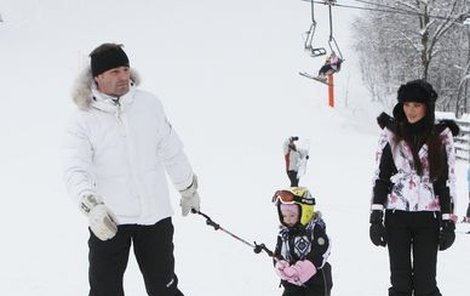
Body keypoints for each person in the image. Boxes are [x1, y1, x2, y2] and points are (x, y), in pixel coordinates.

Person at [63, 43, 200, 296]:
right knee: (105, 291)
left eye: (125, 69)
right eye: (114, 71)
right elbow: (75, 170)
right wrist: (92, 206)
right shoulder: (82, 119)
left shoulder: (148, 105)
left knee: (165, 288)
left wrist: (187, 188)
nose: (123, 76)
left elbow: (171, 149)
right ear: (98, 77)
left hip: (155, 216)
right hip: (109, 220)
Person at [369, 79, 459, 296]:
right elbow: (380, 177)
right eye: (407, 104)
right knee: (400, 284)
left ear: (427, 107)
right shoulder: (392, 133)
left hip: (428, 217)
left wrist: (449, 221)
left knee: (425, 285)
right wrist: (375, 217)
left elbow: (446, 181)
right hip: (396, 215)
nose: (411, 110)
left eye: (417, 105)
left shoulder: (440, 136)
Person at [272, 187, 333, 296]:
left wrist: (301, 269)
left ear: (305, 212)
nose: (288, 219)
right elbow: (278, 253)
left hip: (316, 283)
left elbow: (320, 251)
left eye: (292, 215)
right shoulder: (284, 234)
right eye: (284, 216)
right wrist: (280, 265)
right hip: (292, 283)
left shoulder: (315, 229)